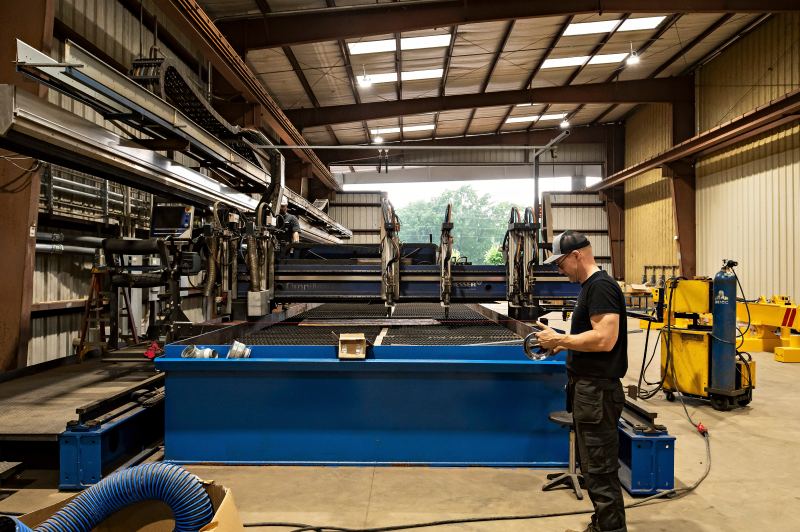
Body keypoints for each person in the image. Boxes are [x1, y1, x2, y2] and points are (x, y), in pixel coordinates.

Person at [535, 230, 628, 532]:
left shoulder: (600, 287)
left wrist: (561, 338)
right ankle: (601, 524)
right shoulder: (590, 287)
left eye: (560, 264)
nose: (559, 270)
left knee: (600, 471)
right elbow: (591, 336)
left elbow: (604, 339)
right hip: (588, 390)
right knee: (593, 467)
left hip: (598, 392)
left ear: (577, 256)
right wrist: (564, 344)